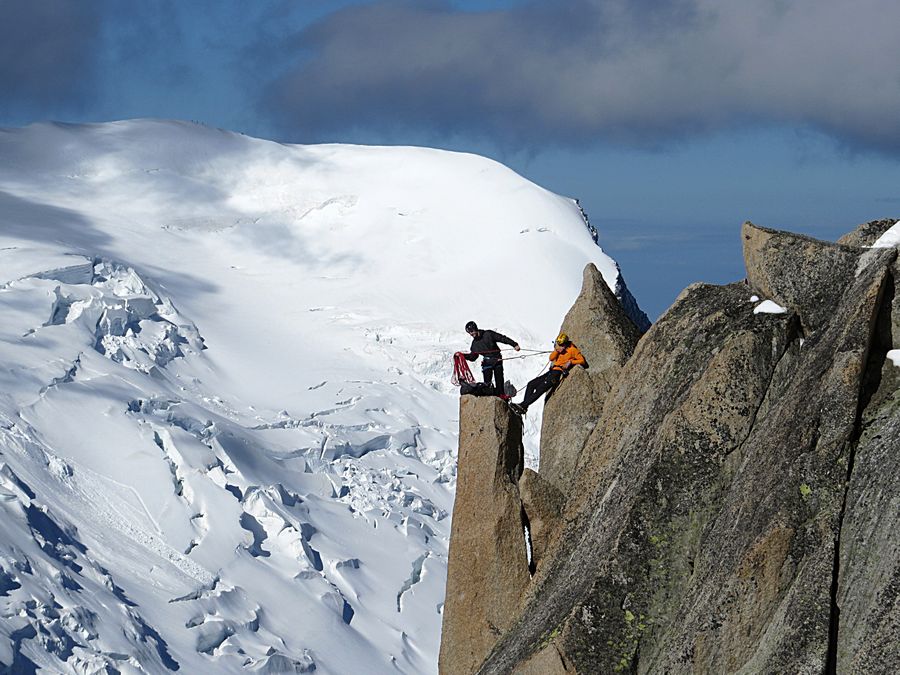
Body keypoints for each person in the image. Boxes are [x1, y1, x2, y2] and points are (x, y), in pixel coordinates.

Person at [509, 332, 585, 415]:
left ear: (565, 344)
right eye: (558, 345)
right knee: (531, 384)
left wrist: (571, 361)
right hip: (552, 371)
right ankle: (524, 407)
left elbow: (582, 360)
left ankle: (523, 405)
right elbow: (551, 358)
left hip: (558, 373)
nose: (560, 347)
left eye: (561, 345)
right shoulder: (559, 349)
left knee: (540, 389)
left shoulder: (572, 350)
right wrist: (557, 350)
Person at [464, 321, 520, 396]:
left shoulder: (488, 334)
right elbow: (473, 357)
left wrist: (514, 344)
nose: (471, 334)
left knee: (499, 380)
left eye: (472, 331)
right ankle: (490, 396)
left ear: (476, 329)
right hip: (487, 362)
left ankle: (501, 396)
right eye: (469, 332)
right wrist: (463, 356)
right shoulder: (474, 344)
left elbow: (502, 338)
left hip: (497, 359)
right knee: (487, 384)